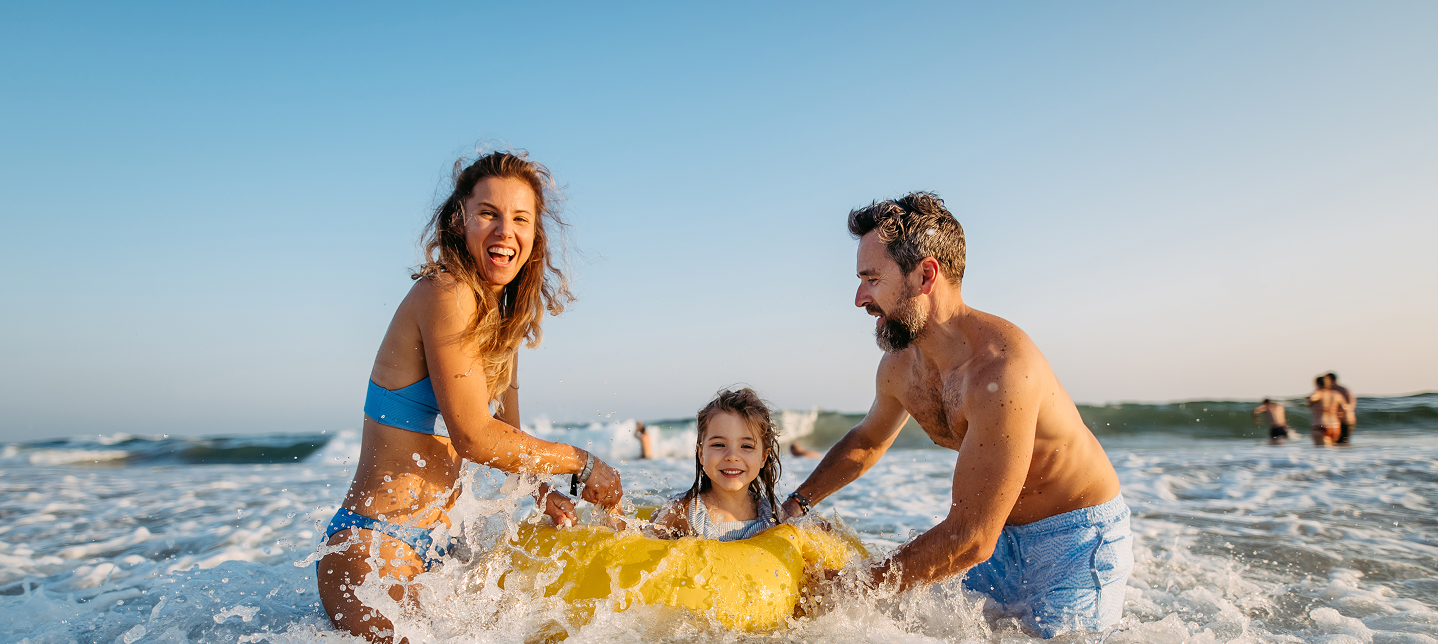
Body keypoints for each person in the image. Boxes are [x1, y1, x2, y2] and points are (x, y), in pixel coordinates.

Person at [785, 192, 1131, 638]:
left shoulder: (1003, 371)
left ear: (925, 275)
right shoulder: (900, 363)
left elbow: (971, 537)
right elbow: (867, 441)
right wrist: (794, 506)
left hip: (1072, 544)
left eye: (872, 278)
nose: (858, 298)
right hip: (996, 536)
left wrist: (858, 586)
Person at [317, 151, 624, 641]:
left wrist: (543, 491)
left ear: (534, 237)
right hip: (375, 547)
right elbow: (473, 437)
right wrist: (581, 462)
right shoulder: (446, 292)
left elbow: (509, 439)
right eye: (489, 214)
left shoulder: (499, 321)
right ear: (460, 220)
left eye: (520, 218)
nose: (505, 231)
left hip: (443, 547)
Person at [651, 387, 786, 541]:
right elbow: (637, 544)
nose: (732, 457)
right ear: (701, 454)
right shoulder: (683, 511)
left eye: (747, 446)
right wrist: (617, 510)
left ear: (763, 457)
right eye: (719, 445)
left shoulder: (772, 514)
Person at [1308, 375, 1350, 447]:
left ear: (1317, 384)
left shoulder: (1319, 393)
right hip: (1335, 426)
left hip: (1320, 425)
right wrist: (1338, 413)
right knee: (1331, 452)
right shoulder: (1336, 394)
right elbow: (1346, 408)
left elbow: (1312, 398)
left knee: (1320, 453)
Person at [1326, 372, 1357, 444]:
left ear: (1331, 380)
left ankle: (1345, 455)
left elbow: (1351, 405)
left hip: (1346, 421)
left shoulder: (1343, 390)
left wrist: (1341, 412)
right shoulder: (1329, 391)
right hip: (1335, 422)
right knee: (1335, 443)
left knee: (1343, 442)